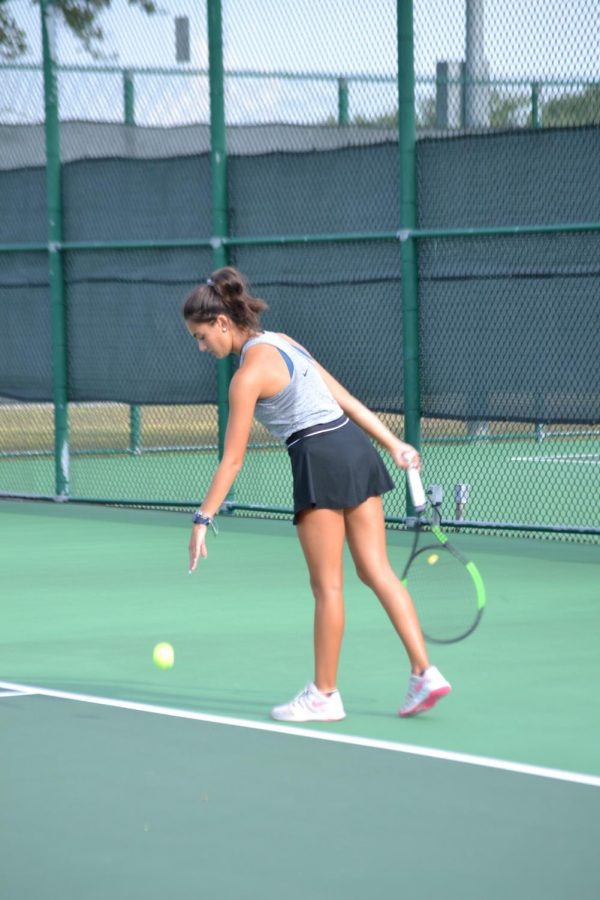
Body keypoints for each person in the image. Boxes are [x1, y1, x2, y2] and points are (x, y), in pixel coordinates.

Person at [183, 266, 451, 721]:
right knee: (378, 570)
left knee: (328, 586)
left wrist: (202, 518)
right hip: (355, 448)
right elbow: (344, 399)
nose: (202, 347)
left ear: (223, 322)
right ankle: (425, 672)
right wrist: (393, 443)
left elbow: (232, 459)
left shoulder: (246, 377)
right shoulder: (286, 341)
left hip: (319, 458)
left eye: (202, 335)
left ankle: (324, 696)